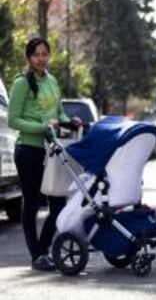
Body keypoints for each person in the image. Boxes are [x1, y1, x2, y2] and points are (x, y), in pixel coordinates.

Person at [7, 37, 81, 271]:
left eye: (44, 54)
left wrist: (71, 122)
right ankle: (37, 255)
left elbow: (58, 114)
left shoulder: (52, 81)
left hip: (52, 150)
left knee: (58, 202)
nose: (41, 58)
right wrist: (41, 127)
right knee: (30, 204)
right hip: (29, 150)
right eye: (36, 55)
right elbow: (13, 120)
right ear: (29, 57)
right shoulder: (21, 83)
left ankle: (43, 248)